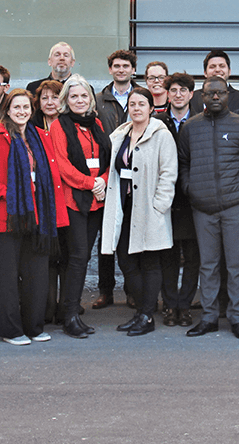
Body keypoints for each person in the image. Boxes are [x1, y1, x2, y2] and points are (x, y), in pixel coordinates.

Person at [0, 89, 68, 345]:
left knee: (36, 275)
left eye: (26, 107)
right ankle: (11, 330)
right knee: (8, 276)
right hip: (8, 217)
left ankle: (34, 327)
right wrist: (8, 193)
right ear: (8, 110)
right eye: (17, 107)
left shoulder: (39, 136)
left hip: (38, 215)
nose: (22, 112)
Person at [178, 76, 239, 340]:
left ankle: (237, 319)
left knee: (236, 265)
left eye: (220, 93)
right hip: (202, 208)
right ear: (201, 96)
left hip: (236, 207)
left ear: (228, 95)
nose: (215, 97)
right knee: (208, 265)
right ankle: (209, 317)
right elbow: (183, 164)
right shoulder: (190, 128)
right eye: (209, 93)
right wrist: (190, 190)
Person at [101, 87, 178, 336]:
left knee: (150, 261)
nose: (136, 108)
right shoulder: (119, 135)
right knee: (125, 260)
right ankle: (142, 311)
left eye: (141, 104)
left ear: (150, 108)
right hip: (124, 207)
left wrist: (160, 205)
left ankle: (146, 315)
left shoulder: (161, 135)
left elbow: (169, 172)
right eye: (132, 104)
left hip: (149, 206)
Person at [51, 74, 110, 338]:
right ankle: (70, 315)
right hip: (74, 200)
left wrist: (103, 182)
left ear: (91, 99)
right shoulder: (59, 126)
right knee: (76, 257)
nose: (79, 100)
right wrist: (90, 183)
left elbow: (107, 157)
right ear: (66, 100)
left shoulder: (96, 123)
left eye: (83, 95)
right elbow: (62, 166)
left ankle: (70, 308)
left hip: (96, 200)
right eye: (73, 96)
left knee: (83, 257)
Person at [92, 52, 135, 311]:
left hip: (132, 174)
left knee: (129, 237)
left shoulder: (140, 97)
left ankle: (132, 290)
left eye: (126, 66)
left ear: (132, 69)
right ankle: (105, 291)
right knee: (105, 237)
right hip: (104, 174)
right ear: (110, 69)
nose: (121, 70)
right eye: (116, 66)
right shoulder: (98, 100)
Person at [156, 72, 199, 327]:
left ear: (191, 94)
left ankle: (185, 305)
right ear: (167, 94)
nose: (178, 94)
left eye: (183, 90)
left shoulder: (200, 122)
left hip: (193, 201)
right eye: (173, 90)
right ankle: (170, 305)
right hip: (166, 201)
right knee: (168, 258)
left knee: (193, 258)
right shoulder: (158, 122)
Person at [30, 79, 66, 323]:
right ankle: (47, 305)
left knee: (66, 254)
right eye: (45, 98)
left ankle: (66, 305)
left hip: (68, 198)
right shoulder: (31, 127)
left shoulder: (69, 125)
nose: (50, 102)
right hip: (41, 199)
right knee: (46, 256)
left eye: (55, 97)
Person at [188, 50, 239, 115]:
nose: (217, 70)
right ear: (205, 73)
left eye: (222, 66)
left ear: (229, 71)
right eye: (212, 67)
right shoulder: (191, 98)